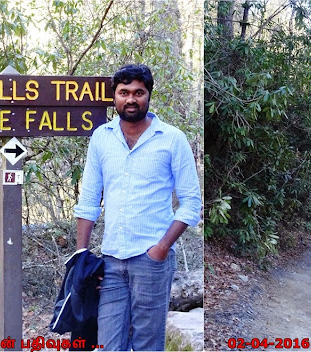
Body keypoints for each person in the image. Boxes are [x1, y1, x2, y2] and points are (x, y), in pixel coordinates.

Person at [73, 64, 202, 351]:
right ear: (115, 97)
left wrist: (162, 248)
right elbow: (89, 199)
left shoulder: (171, 139)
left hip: (151, 260)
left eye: (138, 92)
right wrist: (82, 254)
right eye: (124, 93)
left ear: (148, 96)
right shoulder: (102, 137)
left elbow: (191, 202)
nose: (131, 99)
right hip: (111, 260)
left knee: (147, 343)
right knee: (107, 344)